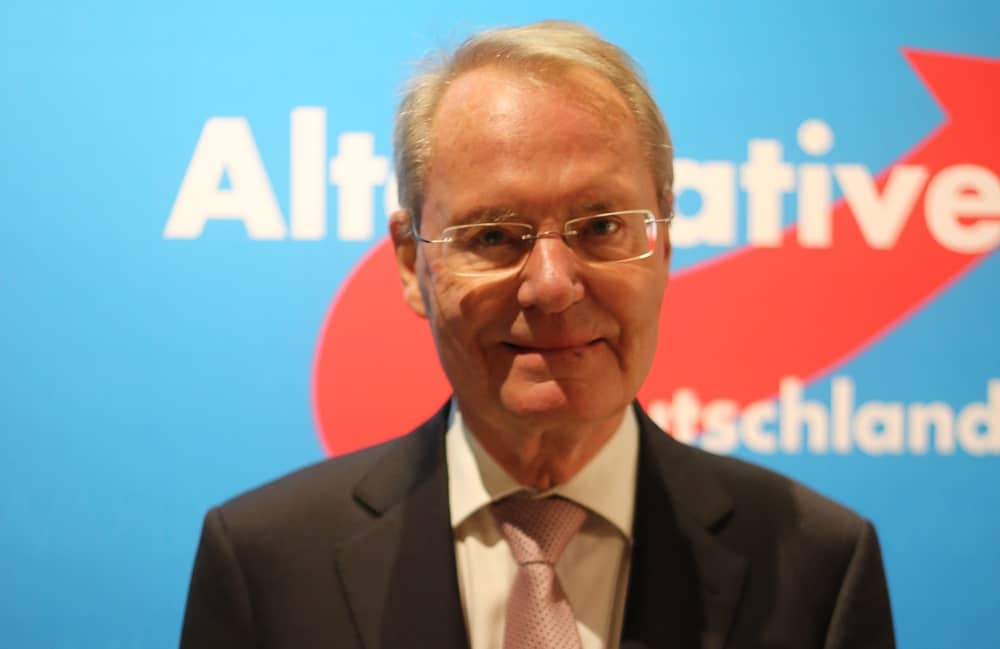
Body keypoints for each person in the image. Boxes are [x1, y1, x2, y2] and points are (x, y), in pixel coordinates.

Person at [180, 20, 895, 649]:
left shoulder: (819, 569)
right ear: (411, 263)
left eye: (602, 226)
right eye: (492, 234)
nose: (553, 284)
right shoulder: (265, 565)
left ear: (666, 242)